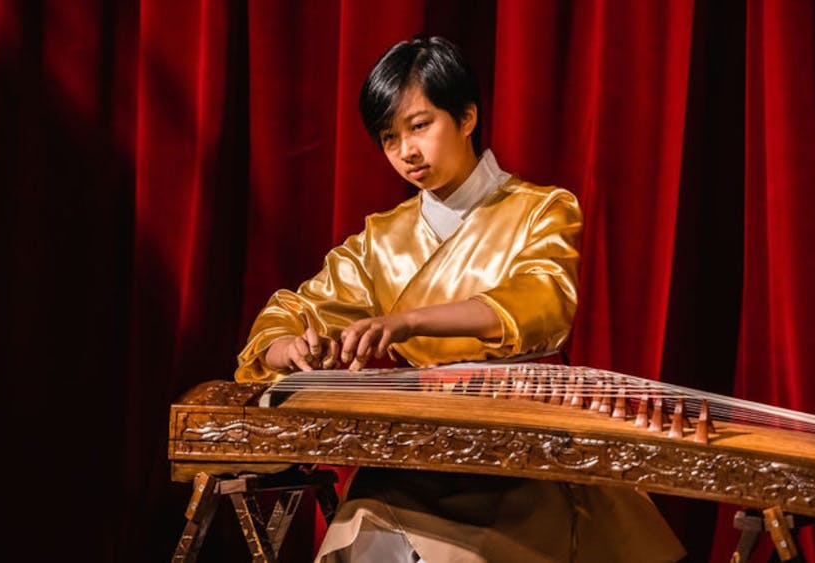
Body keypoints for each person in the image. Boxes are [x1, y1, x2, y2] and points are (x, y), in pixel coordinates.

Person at [236, 35, 685, 563]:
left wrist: (405, 324)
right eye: (389, 137)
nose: (406, 152)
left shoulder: (541, 210)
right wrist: (291, 348)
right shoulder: (381, 240)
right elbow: (288, 314)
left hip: (525, 451)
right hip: (413, 458)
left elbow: (540, 303)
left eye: (420, 125)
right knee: (367, 543)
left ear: (468, 116)